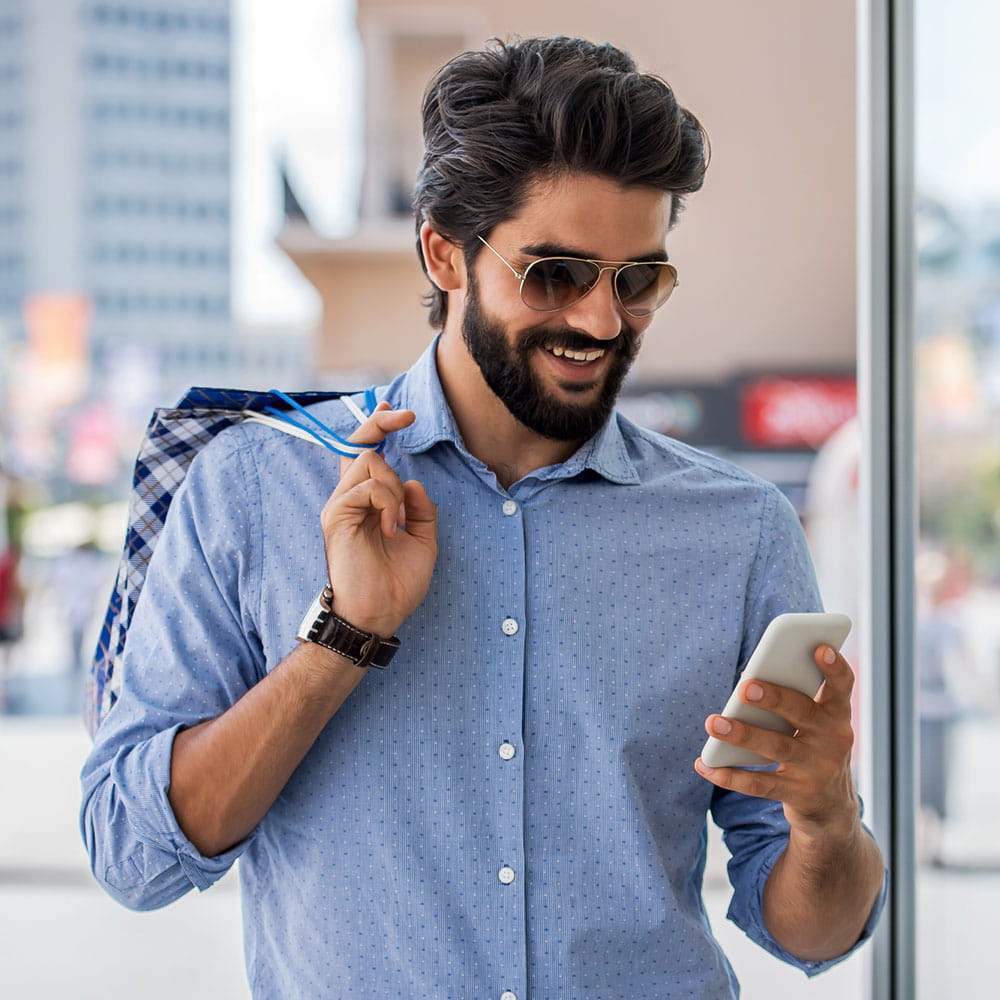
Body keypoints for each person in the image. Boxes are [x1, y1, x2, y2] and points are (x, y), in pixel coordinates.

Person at [81, 36, 886, 998]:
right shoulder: (256, 487)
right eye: (555, 273)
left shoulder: (740, 530)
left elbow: (813, 936)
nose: (599, 321)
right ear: (443, 253)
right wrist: (343, 637)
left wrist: (828, 820)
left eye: (638, 282)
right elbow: (136, 856)